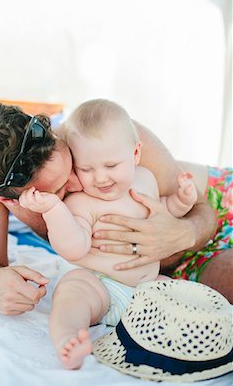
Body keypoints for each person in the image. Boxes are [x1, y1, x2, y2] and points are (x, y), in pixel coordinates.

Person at [0, 102, 231, 319]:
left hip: (217, 207)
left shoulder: (103, 131)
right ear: (6, 200)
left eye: (73, 168)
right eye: (59, 193)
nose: (76, 183)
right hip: (162, 270)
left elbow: (203, 208)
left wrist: (182, 233)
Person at [18, 99, 198, 369]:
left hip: (147, 287)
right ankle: (68, 340)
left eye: (111, 166)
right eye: (86, 169)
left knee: (188, 295)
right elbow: (74, 248)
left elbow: (165, 214)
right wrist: (54, 210)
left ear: (135, 154)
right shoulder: (80, 202)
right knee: (71, 293)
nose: (100, 178)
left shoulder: (146, 179)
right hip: (100, 285)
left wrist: (183, 201)